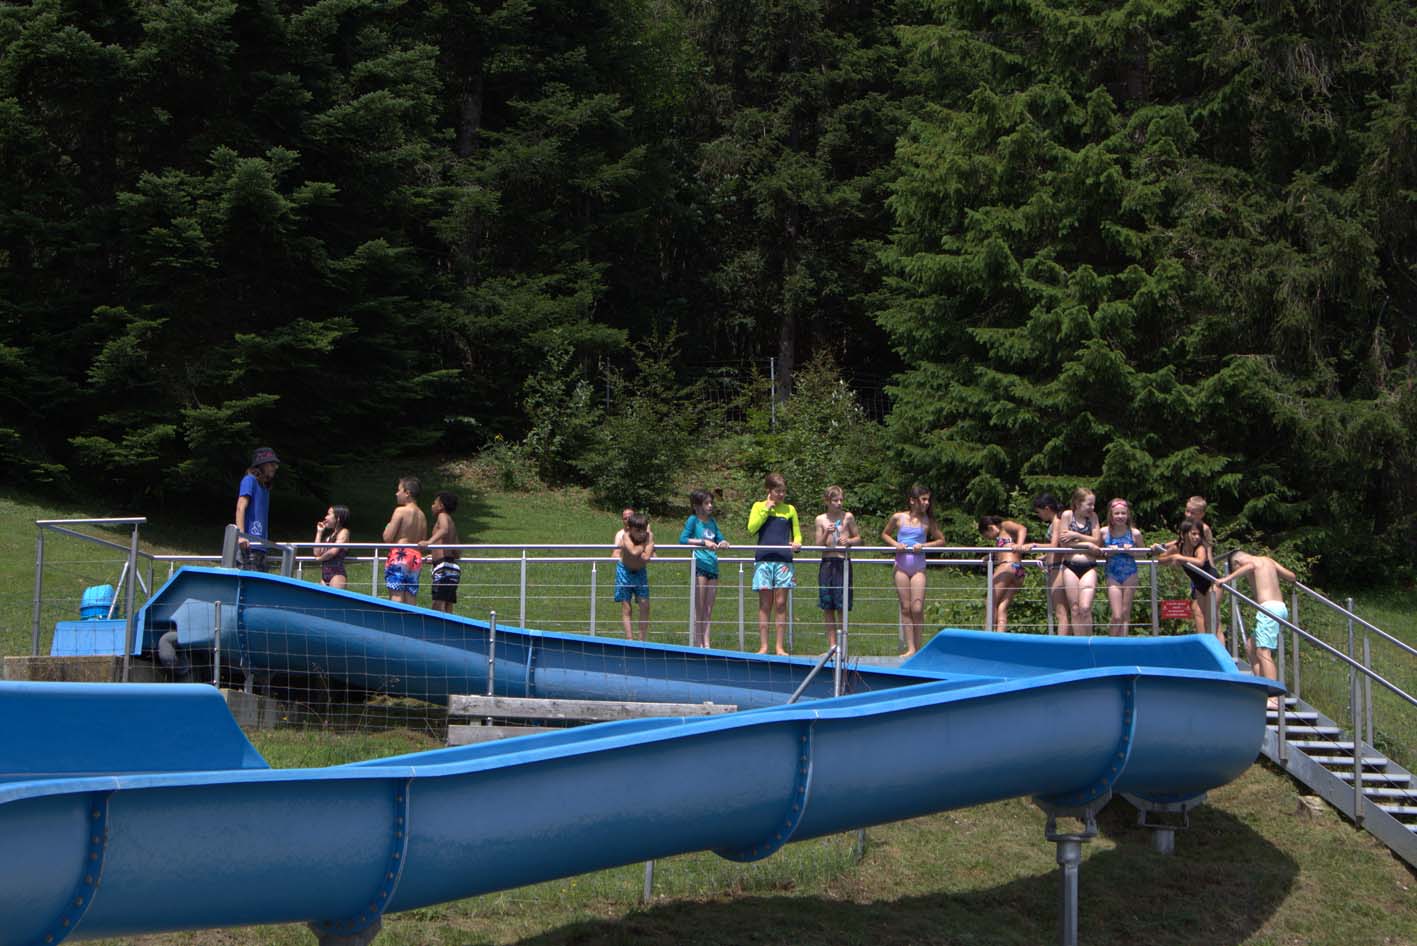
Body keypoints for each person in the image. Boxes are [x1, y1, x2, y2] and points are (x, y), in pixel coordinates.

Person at [1214, 550, 1295, 704]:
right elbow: (1291, 576)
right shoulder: (1268, 561)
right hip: (1280, 607)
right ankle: (1261, 686)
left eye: (1235, 569)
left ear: (1237, 563)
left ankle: (1273, 697)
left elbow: (1250, 565)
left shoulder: (1253, 562)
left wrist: (1226, 579)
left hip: (1268, 609)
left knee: (1263, 652)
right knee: (1251, 647)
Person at [882, 485, 945, 657]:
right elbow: (885, 534)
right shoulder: (898, 517)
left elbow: (941, 540)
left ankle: (918, 648)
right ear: (912, 500)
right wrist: (896, 544)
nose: (927, 503)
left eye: (928, 500)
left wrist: (924, 545)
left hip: (918, 567)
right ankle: (910, 648)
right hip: (901, 566)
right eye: (923, 499)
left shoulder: (928, 520)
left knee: (917, 608)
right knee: (905, 607)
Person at [748, 473, 802, 655]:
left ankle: (779, 646)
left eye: (783, 491)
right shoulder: (758, 506)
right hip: (764, 560)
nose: (781, 495)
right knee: (765, 604)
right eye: (778, 491)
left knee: (780, 603)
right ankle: (763, 646)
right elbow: (751, 528)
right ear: (769, 490)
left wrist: (797, 543)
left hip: (783, 560)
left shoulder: (790, 509)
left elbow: (797, 534)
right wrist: (765, 510)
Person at [814, 486, 862, 651]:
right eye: (835, 500)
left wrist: (849, 541)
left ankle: (843, 646)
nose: (839, 503)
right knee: (828, 605)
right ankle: (832, 646)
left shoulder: (848, 517)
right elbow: (818, 545)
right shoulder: (820, 519)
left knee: (842, 604)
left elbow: (858, 538)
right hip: (827, 562)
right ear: (827, 501)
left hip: (843, 562)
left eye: (841, 500)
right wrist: (827, 533)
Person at [679, 490, 728, 648]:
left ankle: (706, 643)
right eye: (706, 503)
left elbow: (719, 537)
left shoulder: (712, 521)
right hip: (699, 565)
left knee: (708, 607)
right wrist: (702, 542)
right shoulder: (693, 520)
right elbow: (683, 539)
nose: (710, 506)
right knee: (699, 606)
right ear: (697, 506)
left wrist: (723, 542)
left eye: (711, 503)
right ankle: (697, 641)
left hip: (712, 566)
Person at [1158, 517, 1219, 639]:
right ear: (1184, 534)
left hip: (1213, 582)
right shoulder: (1177, 547)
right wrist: (1172, 557)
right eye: (1193, 534)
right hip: (1199, 585)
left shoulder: (1200, 548)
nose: (1197, 537)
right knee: (1198, 614)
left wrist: (1181, 558)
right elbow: (1160, 559)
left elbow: (1200, 561)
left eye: (1199, 534)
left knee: (1211, 617)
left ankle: (1216, 646)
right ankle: (1202, 643)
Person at [1056, 488, 1102, 636]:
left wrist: (1077, 535)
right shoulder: (1067, 515)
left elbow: (1097, 540)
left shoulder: (1093, 517)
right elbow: (1064, 543)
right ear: (1077, 503)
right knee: (1075, 608)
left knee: (1085, 607)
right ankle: (1079, 642)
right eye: (1089, 504)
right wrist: (1087, 545)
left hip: (1089, 566)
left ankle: (1089, 641)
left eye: (1093, 504)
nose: (1092, 508)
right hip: (1070, 566)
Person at [382, 476, 428, 605]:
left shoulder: (400, 511)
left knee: (396, 594)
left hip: (400, 555)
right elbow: (423, 539)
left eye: (399, 490)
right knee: (410, 596)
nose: (396, 493)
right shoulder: (422, 515)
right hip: (415, 556)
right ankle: (410, 618)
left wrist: (387, 526)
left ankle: (395, 619)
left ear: (407, 493)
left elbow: (387, 538)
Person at [1099, 498, 1142, 637]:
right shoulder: (1104, 532)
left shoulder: (1134, 533)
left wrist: (1132, 551)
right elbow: (1096, 552)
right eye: (1117, 513)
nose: (1120, 516)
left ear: (1128, 515)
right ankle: (1111, 643)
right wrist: (1107, 553)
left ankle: (1123, 643)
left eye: (1123, 513)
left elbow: (1143, 554)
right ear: (1111, 515)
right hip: (1112, 574)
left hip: (1130, 572)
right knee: (1117, 615)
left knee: (1125, 612)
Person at [233, 447, 280, 571]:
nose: (275, 467)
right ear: (261, 465)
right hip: (248, 545)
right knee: (248, 580)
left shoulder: (265, 488)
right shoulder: (249, 480)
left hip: (261, 545)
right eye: (272, 464)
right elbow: (240, 507)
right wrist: (241, 535)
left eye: (276, 464)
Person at [1029, 493, 1070, 634]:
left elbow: (1054, 545)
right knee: (1064, 612)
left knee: (1061, 613)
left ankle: (1062, 644)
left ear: (1046, 508)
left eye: (1039, 512)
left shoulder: (1057, 521)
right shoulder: (1057, 521)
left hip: (1058, 568)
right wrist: (1045, 557)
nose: (1039, 515)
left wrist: (1034, 545)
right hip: (1055, 566)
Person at [978, 515, 1027, 632]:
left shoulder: (1005, 525)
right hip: (1017, 570)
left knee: (990, 602)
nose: (988, 538)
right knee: (1001, 607)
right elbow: (1002, 551)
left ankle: (988, 635)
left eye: (987, 535)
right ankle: (1000, 636)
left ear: (990, 528)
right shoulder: (1001, 537)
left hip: (1007, 567)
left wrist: (1019, 545)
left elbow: (1022, 529)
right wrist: (989, 557)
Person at [615, 512, 654, 640]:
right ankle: (630, 640)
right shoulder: (626, 536)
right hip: (624, 571)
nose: (642, 534)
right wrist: (644, 545)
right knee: (626, 606)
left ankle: (641, 640)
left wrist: (644, 547)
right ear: (630, 529)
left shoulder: (649, 535)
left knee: (645, 605)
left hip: (640, 572)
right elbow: (633, 551)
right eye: (638, 531)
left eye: (644, 530)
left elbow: (646, 557)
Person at [422, 491, 461, 614]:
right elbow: (457, 550)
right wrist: (434, 556)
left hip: (443, 567)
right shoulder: (452, 522)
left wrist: (428, 542)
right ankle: (449, 626)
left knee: (437, 605)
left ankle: (437, 626)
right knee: (448, 605)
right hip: (452, 567)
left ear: (441, 506)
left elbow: (444, 530)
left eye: (434, 503)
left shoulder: (442, 516)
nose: (432, 506)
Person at [313, 505, 351, 589]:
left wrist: (320, 559)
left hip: (337, 575)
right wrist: (319, 532)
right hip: (324, 576)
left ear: (338, 518)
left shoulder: (344, 532)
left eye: (328, 514)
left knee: (333, 597)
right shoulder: (329, 537)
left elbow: (333, 551)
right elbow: (316, 552)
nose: (325, 517)